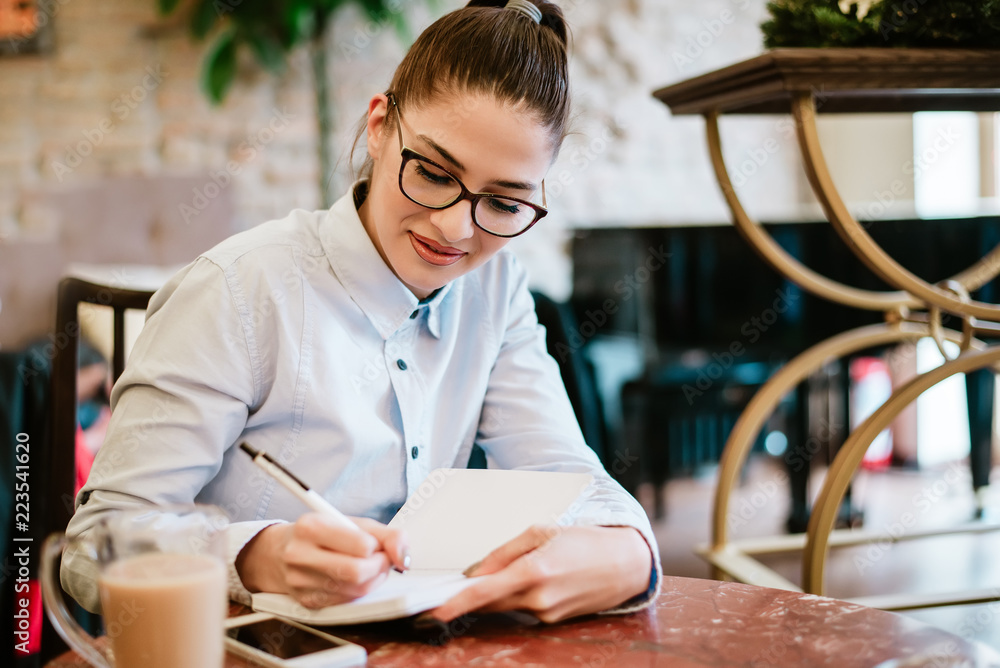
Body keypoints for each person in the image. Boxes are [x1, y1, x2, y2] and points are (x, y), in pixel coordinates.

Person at [62, 0, 661, 625]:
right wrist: (260, 556)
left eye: (505, 204)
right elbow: (92, 548)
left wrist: (631, 550)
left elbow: (563, 472)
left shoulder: (497, 288)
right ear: (379, 126)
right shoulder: (237, 290)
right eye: (431, 172)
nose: (455, 229)